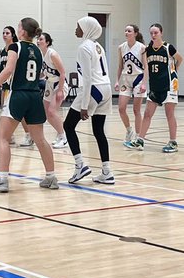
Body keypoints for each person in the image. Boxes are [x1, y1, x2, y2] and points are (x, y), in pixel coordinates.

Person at [0, 18, 59, 192]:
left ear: (22, 31)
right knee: (40, 139)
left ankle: (2, 179)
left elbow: (8, 70)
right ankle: (51, 177)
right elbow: (40, 74)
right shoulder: (38, 50)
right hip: (34, 96)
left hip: (18, 94)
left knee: (2, 137)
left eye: (18, 27)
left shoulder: (15, 47)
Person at [64, 17, 115, 185]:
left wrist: (84, 106)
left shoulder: (84, 47)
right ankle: (107, 172)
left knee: (68, 126)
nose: (75, 29)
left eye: (78, 26)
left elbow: (87, 79)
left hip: (93, 89)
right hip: (106, 88)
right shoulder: (98, 46)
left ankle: (80, 165)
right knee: (99, 130)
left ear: (86, 28)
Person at [137, 23, 183, 153]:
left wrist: (175, 72)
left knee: (169, 114)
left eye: (155, 32)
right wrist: (144, 83)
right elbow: (146, 68)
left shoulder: (168, 48)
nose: (153, 35)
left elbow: (180, 59)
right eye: (151, 33)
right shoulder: (147, 50)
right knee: (147, 114)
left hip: (169, 86)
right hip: (155, 86)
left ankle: (173, 142)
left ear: (161, 33)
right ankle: (140, 140)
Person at [21, 32, 66, 148]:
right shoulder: (41, 55)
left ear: (47, 42)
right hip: (49, 84)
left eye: (41, 39)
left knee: (51, 111)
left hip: (59, 84)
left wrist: (60, 90)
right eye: (38, 39)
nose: (38, 41)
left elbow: (62, 73)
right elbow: (43, 73)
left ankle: (64, 137)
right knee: (45, 113)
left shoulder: (52, 54)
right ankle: (60, 134)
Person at [116, 24, 147, 149]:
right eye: (125, 30)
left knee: (136, 110)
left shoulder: (142, 48)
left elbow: (145, 66)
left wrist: (144, 82)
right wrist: (117, 81)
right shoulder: (121, 47)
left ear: (135, 33)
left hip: (138, 78)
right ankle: (129, 131)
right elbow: (120, 66)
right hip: (125, 79)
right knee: (121, 108)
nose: (126, 32)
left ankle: (138, 137)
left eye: (129, 31)